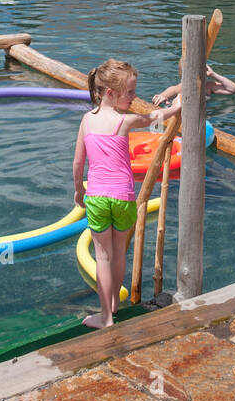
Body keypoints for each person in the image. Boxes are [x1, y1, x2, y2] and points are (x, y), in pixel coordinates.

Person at [73, 59, 176, 330]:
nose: (134, 97)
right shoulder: (124, 122)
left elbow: (77, 164)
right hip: (123, 198)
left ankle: (105, 315)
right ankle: (116, 306)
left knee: (103, 257)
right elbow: (154, 118)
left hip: (96, 197)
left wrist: (77, 191)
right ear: (109, 92)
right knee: (118, 254)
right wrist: (178, 107)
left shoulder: (87, 121)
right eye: (130, 92)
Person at [152, 60, 235, 108]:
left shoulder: (208, 86)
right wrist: (161, 97)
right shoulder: (177, 89)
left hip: (206, 115)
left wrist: (213, 74)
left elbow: (233, 89)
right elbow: (159, 97)